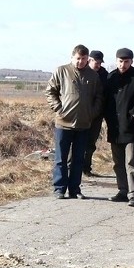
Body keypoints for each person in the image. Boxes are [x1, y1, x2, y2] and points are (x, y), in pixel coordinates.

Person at [44, 44, 102, 199]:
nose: (80, 62)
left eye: (83, 59)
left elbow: (99, 97)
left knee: (78, 159)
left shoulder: (93, 75)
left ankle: (75, 189)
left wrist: (92, 113)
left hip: (84, 124)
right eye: (78, 58)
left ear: (87, 59)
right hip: (64, 123)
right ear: (72, 57)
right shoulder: (61, 71)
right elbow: (50, 91)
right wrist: (58, 108)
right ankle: (59, 189)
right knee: (60, 158)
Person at [103, 48, 134, 207]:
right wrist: (107, 118)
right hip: (115, 127)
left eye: (126, 61)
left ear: (131, 61)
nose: (123, 65)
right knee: (117, 163)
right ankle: (122, 191)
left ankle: (133, 194)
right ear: (116, 60)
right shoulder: (111, 77)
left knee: (130, 162)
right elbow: (106, 99)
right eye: (120, 61)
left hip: (131, 126)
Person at [82, 50, 108, 177]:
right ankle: (73, 167)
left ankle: (86, 168)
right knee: (78, 142)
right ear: (89, 60)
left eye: (99, 63)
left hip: (97, 115)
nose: (98, 65)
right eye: (95, 62)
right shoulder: (82, 72)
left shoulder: (104, 74)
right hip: (82, 114)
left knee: (91, 142)